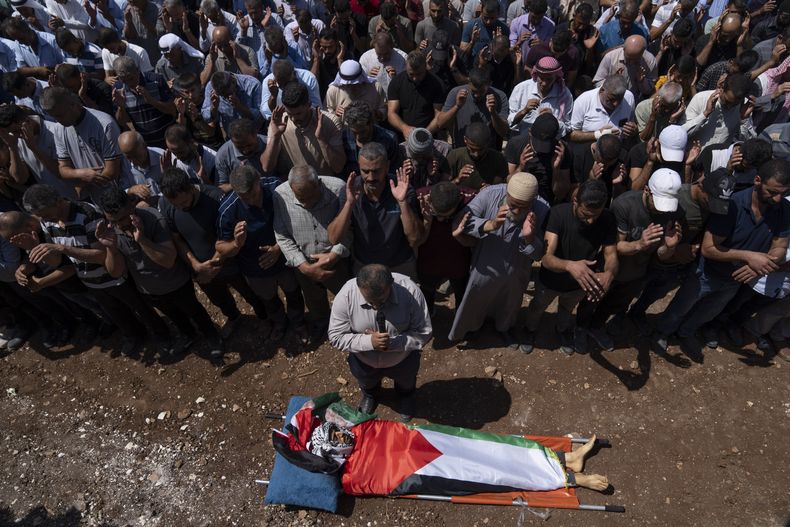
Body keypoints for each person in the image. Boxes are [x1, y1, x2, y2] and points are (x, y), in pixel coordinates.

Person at [653, 160, 790, 361]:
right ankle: (662, 332)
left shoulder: (784, 209)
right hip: (708, 273)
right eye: (772, 192)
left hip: (735, 280)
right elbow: (709, 249)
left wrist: (762, 264)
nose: (777, 199)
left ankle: (686, 333)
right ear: (757, 180)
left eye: (783, 193)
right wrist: (749, 257)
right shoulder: (732, 205)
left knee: (709, 312)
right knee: (682, 305)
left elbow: (780, 246)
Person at [21, 184, 172, 356]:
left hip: (113, 276)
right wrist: (37, 248)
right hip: (90, 281)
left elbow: (102, 255)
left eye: (47, 214)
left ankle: (162, 335)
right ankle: (135, 335)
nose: (45, 219)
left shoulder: (87, 214)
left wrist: (64, 249)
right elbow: (57, 261)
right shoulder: (48, 222)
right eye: (41, 217)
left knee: (140, 307)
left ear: (57, 202)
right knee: (116, 312)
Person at [95, 184, 225, 360]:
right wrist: (111, 249)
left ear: (131, 206)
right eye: (113, 220)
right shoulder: (111, 231)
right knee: (175, 316)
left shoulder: (153, 219)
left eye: (123, 218)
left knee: (195, 310)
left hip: (176, 282)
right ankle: (188, 334)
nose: (119, 224)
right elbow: (116, 272)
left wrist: (142, 240)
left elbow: (168, 260)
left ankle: (212, 336)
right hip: (149, 290)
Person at [577, 169, 684, 353]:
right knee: (591, 301)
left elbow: (660, 254)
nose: (662, 209)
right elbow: (616, 246)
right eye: (658, 202)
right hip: (610, 268)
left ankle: (596, 327)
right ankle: (579, 328)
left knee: (613, 304)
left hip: (637, 274)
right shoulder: (624, 205)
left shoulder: (672, 212)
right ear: (647, 191)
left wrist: (671, 246)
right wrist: (640, 244)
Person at [157, 167, 267, 339]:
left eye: (184, 202)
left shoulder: (215, 198)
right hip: (201, 268)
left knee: (249, 291)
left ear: (191, 188)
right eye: (175, 205)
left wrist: (214, 264)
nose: (181, 207)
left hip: (231, 261)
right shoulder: (166, 204)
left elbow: (231, 235)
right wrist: (196, 264)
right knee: (218, 298)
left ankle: (264, 317)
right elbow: (177, 238)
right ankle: (233, 316)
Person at [626, 168, 738, 332]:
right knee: (636, 288)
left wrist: (696, 247)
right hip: (656, 257)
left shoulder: (718, 207)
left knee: (657, 292)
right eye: (710, 200)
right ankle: (621, 316)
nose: (714, 207)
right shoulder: (677, 199)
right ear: (701, 185)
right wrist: (674, 248)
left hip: (679, 265)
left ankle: (637, 312)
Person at [448, 171, 550, 350]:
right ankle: (472, 330)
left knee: (510, 303)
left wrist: (530, 238)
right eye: (513, 204)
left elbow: (539, 255)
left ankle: (505, 329)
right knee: (477, 299)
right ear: (507, 194)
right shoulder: (490, 195)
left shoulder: (543, 209)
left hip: (517, 269)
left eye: (523, 206)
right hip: (485, 265)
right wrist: (491, 225)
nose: (517, 211)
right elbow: (461, 222)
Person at [522, 179, 618, 355]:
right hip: (550, 280)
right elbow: (546, 258)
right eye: (585, 214)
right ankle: (529, 330)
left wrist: (609, 274)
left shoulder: (608, 219)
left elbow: (611, 253)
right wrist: (569, 265)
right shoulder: (557, 215)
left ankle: (562, 331)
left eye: (595, 215)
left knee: (567, 309)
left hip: (580, 283)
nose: (590, 221)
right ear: (575, 201)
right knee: (537, 307)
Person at [216, 165, 309, 343]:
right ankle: (279, 323)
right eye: (245, 197)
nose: (251, 200)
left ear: (259, 180)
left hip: (285, 259)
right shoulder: (228, 210)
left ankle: (298, 323)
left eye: (254, 194)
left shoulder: (277, 188)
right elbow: (221, 247)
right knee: (269, 300)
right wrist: (236, 243)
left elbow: (299, 218)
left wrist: (279, 248)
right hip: (256, 268)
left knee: (294, 293)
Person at [328, 263, 432, 420]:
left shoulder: (410, 292)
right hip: (363, 359)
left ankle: (405, 396)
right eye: (370, 301)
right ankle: (370, 395)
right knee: (366, 381)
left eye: (381, 300)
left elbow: (424, 332)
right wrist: (369, 342)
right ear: (359, 286)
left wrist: (394, 344)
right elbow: (336, 336)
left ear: (391, 285)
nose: (376, 306)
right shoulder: (346, 295)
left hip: (402, 359)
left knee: (406, 381)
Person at [272, 165, 350, 338]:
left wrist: (334, 254)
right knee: (313, 298)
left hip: (336, 260)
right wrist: (304, 266)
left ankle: (351, 323)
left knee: (347, 295)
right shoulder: (280, 195)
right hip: (304, 260)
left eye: (310, 197)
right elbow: (282, 235)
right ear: (291, 189)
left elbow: (349, 228)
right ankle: (322, 322)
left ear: (319, 184)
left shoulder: (338, 189)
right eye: (301, 198)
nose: (306, 204)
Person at [328, 142, 423, 277]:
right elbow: (334, 238)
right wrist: (349, 204)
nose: (371, 178)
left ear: (387, 166)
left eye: (376, 171)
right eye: (365, 171)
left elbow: (415, 238)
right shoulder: (351, 190)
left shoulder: (402, 188)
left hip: (400, 265)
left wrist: (402, 203)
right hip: (365, 267)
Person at [39, 87, 122, 202]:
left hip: (121, 191)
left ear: (73, 105)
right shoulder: (59, 129)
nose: (58, 120)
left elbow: (112, 171)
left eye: (60, 115)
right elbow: (62, 169)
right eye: (53, 116)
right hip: (98, 199)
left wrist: (83, 183)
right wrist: (81, 174)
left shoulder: (104, 124)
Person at [414, 181, 475, 315]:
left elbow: (474, 241)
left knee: (461, 291)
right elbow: (416, 241)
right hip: (429, 259)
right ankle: (428, 313)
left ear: (459, 201)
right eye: (438, 215)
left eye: (447, 216)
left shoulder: (472, 200)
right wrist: (428, 221)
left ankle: (460, 318)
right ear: (429, 200)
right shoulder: (419, 198)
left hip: (459, 261)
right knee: (427, 290)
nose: (441, 220)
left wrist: (458, 235)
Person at [261, 82, 346, 177]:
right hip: (293, 186)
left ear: (309, 105)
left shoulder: (330, 122)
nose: (293, 119)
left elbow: (338, 167)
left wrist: (321, 139)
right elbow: (266, 167)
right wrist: (276, 137)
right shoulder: (279, 122)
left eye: (298, 114)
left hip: (323, 184)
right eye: (289, 114)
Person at [0, 103, 79, 201]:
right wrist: (13, 147)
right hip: (54, 203)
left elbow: (63, 172)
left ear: (26, 121)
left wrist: (33, 148)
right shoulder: (16, 139)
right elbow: (20, 178)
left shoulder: (57, 131)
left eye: (16, 131)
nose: (15, 135)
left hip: (79, 197)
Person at [504, 113, 571, 204]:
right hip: (520, 195)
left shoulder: (561, 150)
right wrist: (521, 167)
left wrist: (556, 169)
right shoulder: (516, 144)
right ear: (530, 132)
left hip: (546, 199)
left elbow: (560, 194)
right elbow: (509, 183)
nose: (541, 149)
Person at [112, 56, 178, 149]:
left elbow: (172, 110)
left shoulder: (156, 80)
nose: (129, 83)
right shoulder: (118, 88)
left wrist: (151, 101)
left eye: (131, 78)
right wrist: (121, 107)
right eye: (124, 80)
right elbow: (122, 122)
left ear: (137, 70)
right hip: (146, 145)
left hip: (169, 140)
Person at [436, 67, 509, 149]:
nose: (477, 95)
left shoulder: (499, 96)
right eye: (473, 92)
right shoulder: (456, 93)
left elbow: (503, 132)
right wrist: (457, 106)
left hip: (487, 152)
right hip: (462, 150)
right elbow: (440, 124)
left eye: (481, 92)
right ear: (468, 82)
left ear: (489, 84)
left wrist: (493, 112)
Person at [508, 55, 574, 137]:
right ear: (536, 74)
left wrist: (552, 120)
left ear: (556, 76)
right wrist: (524, 111)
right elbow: (510, 123)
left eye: (549, 79)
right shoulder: (521, 89)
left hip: (549, 142)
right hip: (522, 138)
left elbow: (567, 128)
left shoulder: (564, 95)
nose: (545, 83)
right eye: (542, 78)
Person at [682, 73, 751, 149]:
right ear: (721, 88)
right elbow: (682, 133)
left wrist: (742, 119)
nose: (729, 106)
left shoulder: (744, 107)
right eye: (727, 101)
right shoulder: (700, 99)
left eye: (735, 104)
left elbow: (743, 142)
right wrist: (705, 114)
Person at [386, 50, 445, 139]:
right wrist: (404, 128)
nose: (415, 78)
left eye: (419, 74)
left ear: (425, 66)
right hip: (402, 136)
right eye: (411, 74)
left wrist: (426, 133)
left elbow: (439, 116)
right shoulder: (397, 82)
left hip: (429, 136)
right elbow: (391, 113)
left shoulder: (437, 84)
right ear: (406, 67)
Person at [569, 75, 637, 144]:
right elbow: (572, 135)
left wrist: (633, 130)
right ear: (602, 90)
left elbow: (631, 122)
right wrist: (597, 135)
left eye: (620, 99)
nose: (615, 104)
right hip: (589, 150)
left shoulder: (629, 98)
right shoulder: (583, 101)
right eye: (611, 99)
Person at [341, 101, 400, 179]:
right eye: (354, 133)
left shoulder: (389, 139)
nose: (358, 137)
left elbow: (394, 172)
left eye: (362, 132)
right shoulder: (344, 137)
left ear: (371, 123)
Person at [593, 35, 657, 102]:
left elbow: (649, 90)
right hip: (610, 100)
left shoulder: (650, 61)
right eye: (628, 58)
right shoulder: (611, 57)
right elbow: (597, 82)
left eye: (635, 59)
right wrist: (612, 82)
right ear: (623, 48)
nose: (631, 62)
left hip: (633, 102)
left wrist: (642, 81)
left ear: (643, 52)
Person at [626, 124, 688, 193]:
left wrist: (688, 165)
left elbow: (683, 194)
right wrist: (650, 162)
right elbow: (633, 190)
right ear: (657, 142)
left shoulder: (683, 157)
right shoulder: (639, 151)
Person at [445, 122, 508, 190]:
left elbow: (500, 185)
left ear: (488, 142)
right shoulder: (454, 156)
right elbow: (443, 188)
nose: (476, 154)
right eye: (472, 149)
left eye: (480, 150)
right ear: (465, 140)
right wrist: (457, 180)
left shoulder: (498, 159)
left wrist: (490, 188)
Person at [172, 72, 225, 151]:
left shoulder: (208, 103)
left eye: (192, 90)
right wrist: (181, 113)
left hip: (215, 146)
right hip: (197, 148)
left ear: (200, 87)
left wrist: (197, 118)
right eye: (186, 92)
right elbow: (182, 131)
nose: (190, 95)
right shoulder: (182, 106)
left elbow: (211, 132)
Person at [326, 60, 385, 127]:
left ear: (361, 78)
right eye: (347, 85)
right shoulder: (333, 91)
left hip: (370, 130)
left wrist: (375, 113)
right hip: (342, 133)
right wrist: (335, 114)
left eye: (354, 84)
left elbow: (383, 110)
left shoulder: (375, 88)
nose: (351, 87)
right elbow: (328, 115)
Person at [572, 133, 629, 203]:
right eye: (602, 163)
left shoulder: (622, 158)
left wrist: (617, 185)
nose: (605, 168)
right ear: (594, 149)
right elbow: (572, 197)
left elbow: (622, 201)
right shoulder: (578, 156)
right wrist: (591, 181)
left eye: (610, 164)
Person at [215, 118, 267, 192]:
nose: (246, 150)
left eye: (249, 145)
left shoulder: (269, 144)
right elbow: (221, 188)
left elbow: (284, 174)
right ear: (232, 141)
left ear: (255, 135)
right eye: (240, 147)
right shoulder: (223, 155)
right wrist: (240, 182)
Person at [118, 131, 165, 206]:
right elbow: (122, 191)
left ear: (144, 145)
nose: (134, 161)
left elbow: (175, 187)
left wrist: (153, 201)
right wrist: (131, 190)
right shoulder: (124, 164)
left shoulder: (162, 157)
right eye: (129, 157)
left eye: (136, 156)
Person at [359, 32, 409, 99]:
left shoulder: (403, 59)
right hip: (374, 101)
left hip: (397, 99)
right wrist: (367, 77)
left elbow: (408, 84)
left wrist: (397, 78)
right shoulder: (365, 58)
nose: (382, 58)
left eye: (386, 54)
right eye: (379, 54)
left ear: (392, 46)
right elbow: (359, 84)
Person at [460, 0, 510, 65]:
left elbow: (504, 57)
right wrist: (472, 42)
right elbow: (462, 54)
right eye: (485, 18)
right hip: (474, 67)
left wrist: (498, 45)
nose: (488, 21)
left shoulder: (503, 28)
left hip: (494, 68)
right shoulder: (471, 26)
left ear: (498, 14)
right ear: (481, 11)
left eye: (492, 18)